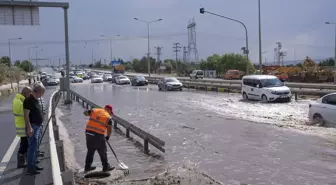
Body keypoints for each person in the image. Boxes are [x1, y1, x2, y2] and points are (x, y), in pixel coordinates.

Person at [83, 105, 115, 172]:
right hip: (98, 136)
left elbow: (85, 113)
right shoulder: (108, 117)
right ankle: (106, 167)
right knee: (102, 151)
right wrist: (108, 136)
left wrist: (91, 114)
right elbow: (109, 129)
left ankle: (87, 167)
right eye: (110, 112)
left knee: (90, 151)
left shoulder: (95, 110)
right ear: (108, 110)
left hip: (88, 133)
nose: (110, 113)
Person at [23, 82, 45, 175]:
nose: (42, 95)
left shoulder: (35, 100)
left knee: (35, 147)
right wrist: (29, 128)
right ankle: (30, 168)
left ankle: (34, 165)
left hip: (37, 126)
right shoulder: (28, 100)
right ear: (38, 91)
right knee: (32, 148)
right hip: (33, 127)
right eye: (42, 93)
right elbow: (26, 115)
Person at [12, 86, 32, 168]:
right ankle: (21, 162)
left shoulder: (17, 99)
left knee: (24, 143)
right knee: (24, 144)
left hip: (20, 124)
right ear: (25, 93)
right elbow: (25, 114)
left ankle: (24, 161)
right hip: (22, 125)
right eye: (29, 94)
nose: (30, 96)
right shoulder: (21, 101)